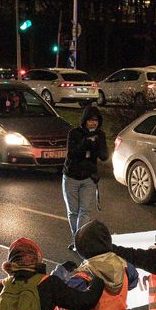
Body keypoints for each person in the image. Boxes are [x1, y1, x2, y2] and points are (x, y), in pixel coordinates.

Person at [62, 104, 108, 249]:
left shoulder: (100, 135)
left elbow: (104, 156)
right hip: (71, 177)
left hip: (89, 178)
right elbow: (71, 155)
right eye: (90, 120)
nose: (93, 123)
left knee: (85, 211)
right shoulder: (74, 133)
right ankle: (77, 240)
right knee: (73, 212)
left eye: (96, 120)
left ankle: (79, 243)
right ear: (84, 121)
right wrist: (86, 143)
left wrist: (98, 143)